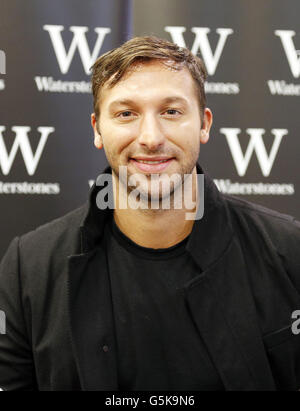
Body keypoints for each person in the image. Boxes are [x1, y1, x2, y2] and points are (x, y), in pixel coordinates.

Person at [0, 36, 300, 392]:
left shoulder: (288, 250)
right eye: (126, 113)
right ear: (97, 129)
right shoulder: (29, 266)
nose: (151, 138)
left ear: (204, 124)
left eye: (171, 111)